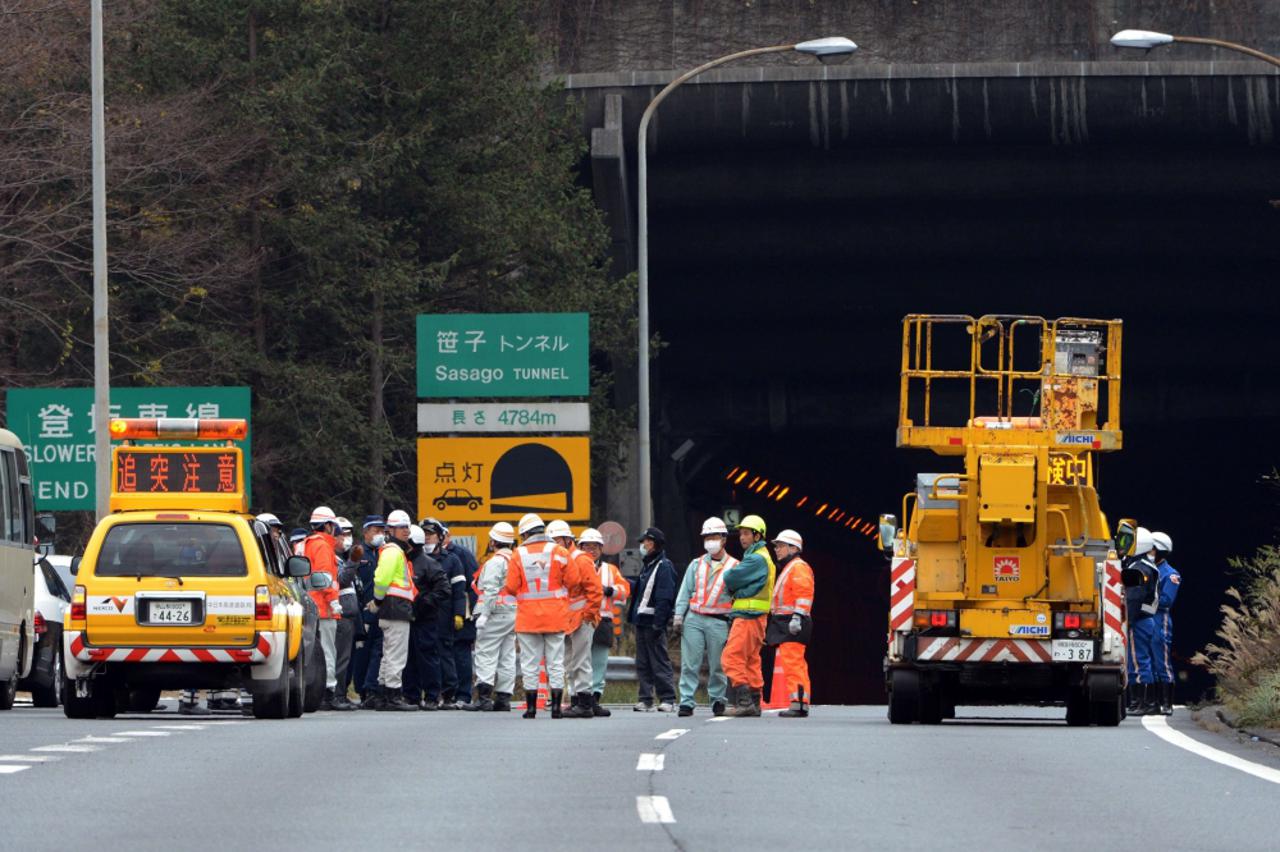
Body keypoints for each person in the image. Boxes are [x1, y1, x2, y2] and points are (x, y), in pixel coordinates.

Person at [503, 513, 579, 719]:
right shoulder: (560, 551)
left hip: (528, 618)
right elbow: (574, 581)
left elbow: (510, 586)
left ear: (525, 534)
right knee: (556, 662)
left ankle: (531, 709)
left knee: (530, 663)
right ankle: (556, 709)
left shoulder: (518, 554)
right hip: (556, 616)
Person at [673, 518, 738, 717]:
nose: (710, 541)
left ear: (723, 539)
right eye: (707, 537)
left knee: (718, 664)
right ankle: (686, 702)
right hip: (694, 619)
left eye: (714, 537)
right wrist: (678, 616)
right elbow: (685, 591)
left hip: (719, 621)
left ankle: (718, 700)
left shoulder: (735, 566)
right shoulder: (696, 564)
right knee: (689, 663)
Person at [720, 514, 776, 718]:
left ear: (757, 535)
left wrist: (736, 589)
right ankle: (755, 701)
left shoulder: (755, 559)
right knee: (751, 660)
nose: (742, 538)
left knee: (731, 657)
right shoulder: (764, 556)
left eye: (746, 534)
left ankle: (744, 702)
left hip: (747, 616)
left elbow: (730, 577)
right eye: (741, 534)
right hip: (758, 617)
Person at [547, 521, 603, 719]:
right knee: (570, 663)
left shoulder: (581, 559)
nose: (554, 544)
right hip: (568, 620)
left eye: (557, 540)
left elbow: (595, 590)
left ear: (567, 539)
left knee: (580, 661)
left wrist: (588, 616)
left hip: (581, 619)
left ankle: (585, 703)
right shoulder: (560, 559)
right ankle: (577, 701)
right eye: (551, 541)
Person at [463, 523, 519, 712]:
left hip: (495, 612)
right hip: (512, 612)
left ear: (493, 541)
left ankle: (484, 698)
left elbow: (491, 590)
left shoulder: (496, 562)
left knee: (486, 652)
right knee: (507, 655)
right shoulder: (515, 560)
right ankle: (503, 698)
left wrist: (484, 615)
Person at [369, 509, 418, 710]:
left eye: (407, 527)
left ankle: (383, 694)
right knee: (396, 654)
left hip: (392, 607)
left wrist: (378, 601)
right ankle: (393, 695)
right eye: (401, 527)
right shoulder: (393, 551)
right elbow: (381, 580)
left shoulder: (393, 551)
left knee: (389, 653)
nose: (406, 531)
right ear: (391, 530)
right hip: (395, 607)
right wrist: (377, 600)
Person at [627, 527, 677, 712]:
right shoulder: (649, 565)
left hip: (653, 621)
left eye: (647, 541)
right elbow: (641, 590)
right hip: (642, 620)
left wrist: (659, 623)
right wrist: (624, 583)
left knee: (659, 660)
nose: (643, 545)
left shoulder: (664, 566)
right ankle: (646, 699)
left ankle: (668, 699)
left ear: (655, 544)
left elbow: (665, 597)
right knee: (643, 662)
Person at [419, 518, 466, 709]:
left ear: (440, 537)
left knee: (444, 653)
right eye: (424, 535)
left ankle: (448, 694)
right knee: (424, 654)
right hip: (422, 613)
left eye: (430, 535)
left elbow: (459, 591)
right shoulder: (415, 558)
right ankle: (428, 694)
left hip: (444, 614)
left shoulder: (452, 560)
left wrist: (459, 614)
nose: (427, 538)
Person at [767, 529, 814, 718]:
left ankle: (799, 703)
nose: (776, 549)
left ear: (793, 548)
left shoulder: (798, 567)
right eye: (776, 546)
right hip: (787, 621)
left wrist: (797, 617)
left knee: (794, 663)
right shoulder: (791, 567)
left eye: (780, 546)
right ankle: (798, 702)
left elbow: (804, 594)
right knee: (793, 663)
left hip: (793, 621)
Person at [401, 524, 450, 711]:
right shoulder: (402, 562)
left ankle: (431, 696)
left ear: (413, 544)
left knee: (428, 657)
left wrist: (424, 602)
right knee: (408, 658)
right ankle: (411, 695)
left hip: (425, 619)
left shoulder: (429, 564)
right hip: (407, 618)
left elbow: (444, 589)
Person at [580, 528, 628, 717]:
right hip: (581, 620)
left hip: (603, 620)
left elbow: (625, 590)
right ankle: (580, 698)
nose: (591, 550)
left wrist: (610, 590)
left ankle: (595, 699)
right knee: (579, 661)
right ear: (580, 548)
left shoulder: (610, 570)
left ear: (601, 549)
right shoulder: (575, 566)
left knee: (599, 662)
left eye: (595, 547)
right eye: (587, 547)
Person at [303, 506, 346, 711]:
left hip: (309, 607)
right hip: (324, 608)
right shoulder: (322, 546)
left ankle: (313, 693)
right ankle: (328, 692)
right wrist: (333, 601)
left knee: (311, 653)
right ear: (328, 526)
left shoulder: (305, 544)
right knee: (328, 651)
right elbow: (324, 577)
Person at [1122, 527, 1160, 715]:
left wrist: (1127, 621)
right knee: (1138, 661)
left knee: (1138, 661)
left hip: (1139, 620)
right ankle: (1140, 702)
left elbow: (1133, 598)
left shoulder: (1138, 568)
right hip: (1144, 620)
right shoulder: (1142, 565)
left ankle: (1143, 703)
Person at [442, 524, 480, 707]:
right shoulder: (432, 555)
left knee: (461, 651)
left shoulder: (461, 554)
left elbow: (474, 584)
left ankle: (463, 695)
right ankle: (447, 693)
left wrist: (473, 611)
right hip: (443, 610)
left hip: (463, 610)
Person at [353, 515, 385, 708]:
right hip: (363, 610)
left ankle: (373, 689)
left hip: (382, 610)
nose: (380, 534)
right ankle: (361, 690)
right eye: (375, 531)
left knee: (379, 652)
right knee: (362, 654)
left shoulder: (386, 552)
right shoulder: (357, 552)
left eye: (382, 531)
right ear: (366, 532)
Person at [1151, 531, 1180, 716]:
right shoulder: (1146, 570)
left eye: (1151, 549)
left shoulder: (1170, 574)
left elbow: (1166, 600)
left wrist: (1143, 600)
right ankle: (1152, 702)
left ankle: (1167, 703)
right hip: (1145, 619)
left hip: (1159, 620)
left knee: (1162, 662)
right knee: (1148, 663)